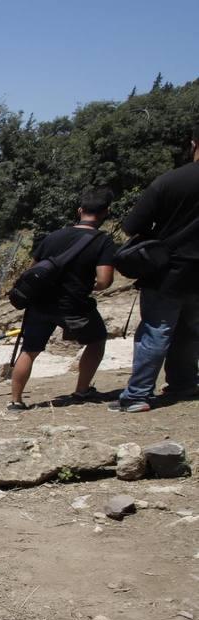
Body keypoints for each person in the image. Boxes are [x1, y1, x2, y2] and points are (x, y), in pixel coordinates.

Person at [111, 123, 199, 413]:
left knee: (156, 330)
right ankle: (185, 383)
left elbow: (132, 226)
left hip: (167, 270)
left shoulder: (169, 181)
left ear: (193, 143)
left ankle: (138, 394)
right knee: (190, 331)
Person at [7, 187, 116, 410]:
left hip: (41, 303)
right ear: (105, 213)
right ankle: (82, 390)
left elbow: (32, 272)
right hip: (74, 304)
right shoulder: (103, 241)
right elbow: (105, 280)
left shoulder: (53, 237)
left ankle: (16, 401)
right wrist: (87, 285)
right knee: (96, 341)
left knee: (29, 350)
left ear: (80, 210)